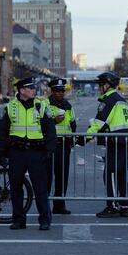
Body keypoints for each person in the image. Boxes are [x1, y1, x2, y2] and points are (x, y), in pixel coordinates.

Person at [0, 76, 56, 230]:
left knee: (40, 189)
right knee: (16, 189)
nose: (34, 90)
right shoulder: (10, 107)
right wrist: (0, 152)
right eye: (31, 88)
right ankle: (19, 220)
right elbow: (1, 131)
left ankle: (44, 220)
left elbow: (50, 130)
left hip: (36, 152)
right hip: (17, 153)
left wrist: (49, 150)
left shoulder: (41, 106)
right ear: (22, 90)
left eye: (34, 88)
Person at [83, 71, 128, 218]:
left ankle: (112, 206)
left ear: (108, 85)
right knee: (122, 174)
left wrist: (84, 138)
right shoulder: (121, 99)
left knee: (110, 174)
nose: (99, 88)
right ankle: (125, 206)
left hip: (115, 142)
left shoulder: (109, 100)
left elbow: (100, 122)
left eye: (101, 85)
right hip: (125, 141)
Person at [45, 77, 76, 215]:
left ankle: (59, 205)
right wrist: (53, 121)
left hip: (64, 146)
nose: (60, 93)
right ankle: (44, 206)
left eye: (62, 91)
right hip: (49, 146)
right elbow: (39, 124)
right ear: (52, 91)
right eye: (57, 91)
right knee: (47, 178)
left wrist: (72, 139)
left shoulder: (68, 106)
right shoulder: (45, 105)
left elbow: (72, 124)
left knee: (62, 177)